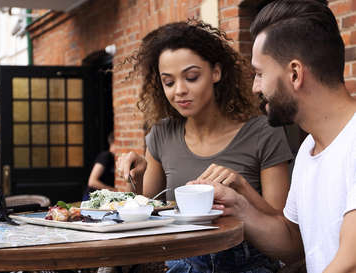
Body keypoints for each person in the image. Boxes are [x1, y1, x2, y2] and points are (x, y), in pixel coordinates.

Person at [190, 1, 356, 272]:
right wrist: (240, 206)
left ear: (294, 73)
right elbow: (293, 244)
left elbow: (350, 263)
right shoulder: (309, 149)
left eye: (259, 73)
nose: (255, 87)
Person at [117, 19, 293, 272]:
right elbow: (143, 215)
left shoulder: (263, 132)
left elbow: (282, 225)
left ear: (216, 73)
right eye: (168, 82)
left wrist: (241, 187)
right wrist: (135, 177)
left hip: (249, 263)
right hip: (182, 263)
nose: (179, 90)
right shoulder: (161, 134)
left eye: (191, 77)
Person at [83, 132, 116, 201]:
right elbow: (92, 182)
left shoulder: (114, 158)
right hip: (92, 198)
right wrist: (114, 191)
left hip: (102, 199)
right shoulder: (106, 156)